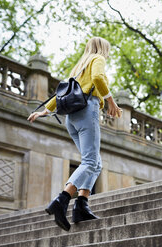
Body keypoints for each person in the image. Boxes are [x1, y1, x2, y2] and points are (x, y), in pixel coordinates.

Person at [27, 37, 122, 231]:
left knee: (95, 162)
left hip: (72, 119)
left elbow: (65, 91)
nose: (108, 53)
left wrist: (45, 110)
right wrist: (111, 101)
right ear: (103, 48)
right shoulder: (98, 59)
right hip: (88, 112)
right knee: (89, 161)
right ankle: (62, 200)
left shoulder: (80, 66)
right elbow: (97, 78)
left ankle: (81, 205)